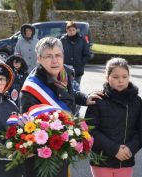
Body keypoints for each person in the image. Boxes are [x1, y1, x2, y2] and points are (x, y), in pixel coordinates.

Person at [20, 37, 103, 177]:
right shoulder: (31, 88)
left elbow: (70, 94)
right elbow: (30, 128)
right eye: (49, 56)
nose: (55, 60)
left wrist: (85, 98)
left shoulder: (64, 73)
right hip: (43, 157)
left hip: (62, 148)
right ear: (39, 59)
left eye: (58, 55)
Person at [85, 58, 142, 177]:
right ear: (107, 77)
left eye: (124, 76)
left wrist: (130, 148)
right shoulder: (98, 99)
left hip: (126, 160)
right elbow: (90, 129)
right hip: (101, 161)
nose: (121, 81)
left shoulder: (137, 101)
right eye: (116, 77)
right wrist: (114, 149)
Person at [60, 21, 91, 86]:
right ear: (66, 30)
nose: (71, 32)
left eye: (73, 30)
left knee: (76, 88)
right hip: (64, 70)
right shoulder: (62, 40)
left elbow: (87, 54)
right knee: (64, 88)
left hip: (78, 70)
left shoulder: (82, 40)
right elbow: (59, 53)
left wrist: (81, 63)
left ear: (76, 30)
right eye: (69, 30)